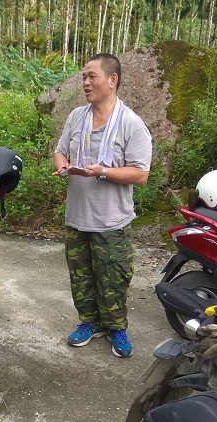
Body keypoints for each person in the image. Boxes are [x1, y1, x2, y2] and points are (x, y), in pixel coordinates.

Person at [52, 53, 152, 358]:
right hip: (77, 217)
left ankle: (116, 327)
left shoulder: (131, 124)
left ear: (112, 80)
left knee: (113, 278)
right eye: (84, 76)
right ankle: (88, 323)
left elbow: (141, 173)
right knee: (80, 277)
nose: (85, 82)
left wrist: (104, 171)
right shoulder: (76, 117)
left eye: (92, 76)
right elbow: (59, 151)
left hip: (111, 222)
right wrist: (63, 165)